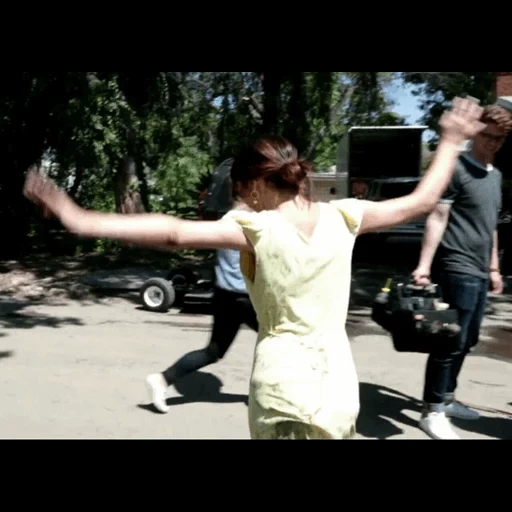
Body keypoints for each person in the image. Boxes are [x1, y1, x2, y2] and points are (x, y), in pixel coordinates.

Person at [23, 97, 484, 440]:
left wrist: (80, 218)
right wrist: (450, 140)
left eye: (242, 191)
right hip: (336, 387)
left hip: (281, 386)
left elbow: (174, 233)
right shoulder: (346, 215)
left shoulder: (255, 227)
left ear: (254, 185)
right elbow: (423, 201)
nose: (240, 200)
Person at [413, 104, 512, 440]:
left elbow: (491, 225)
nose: (493, 143)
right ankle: (432, 411)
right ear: (474, 133)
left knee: (467, 339)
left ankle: (447, 398)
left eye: (500, 138)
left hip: (480, 270)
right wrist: (424, 266)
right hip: (454, 265)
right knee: (448, 339)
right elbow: (437, 218)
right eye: (487, 136)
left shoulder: (495, 175)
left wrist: (495, 267)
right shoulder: (455, 169)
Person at [147, 204, 259, 414]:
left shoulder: (228, 218)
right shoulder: (249, 220)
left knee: (213, 352)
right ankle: (266, 396)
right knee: (278, 341)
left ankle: (162, 380)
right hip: (245, 297)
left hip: (225, 296)